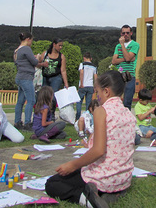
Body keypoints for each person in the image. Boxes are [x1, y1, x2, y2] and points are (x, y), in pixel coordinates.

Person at [45, 71, 136, 208]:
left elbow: (99, 151)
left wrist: (73, 165)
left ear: (106, 91)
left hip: (104, 177)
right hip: (123, 180)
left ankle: (88, 199)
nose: (96, 96)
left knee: (52, 184)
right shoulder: (128, 113)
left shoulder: (101, 111)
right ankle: (112, 194)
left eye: (97, 92)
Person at [13, 32, 43, 131]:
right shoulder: (26, 49)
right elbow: (35, 63)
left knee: (20, 101)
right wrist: (38, 58)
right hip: (26, 77)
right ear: (28, 39)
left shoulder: (17, 50)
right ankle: (27, 123)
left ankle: (17, 122)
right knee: (31, 100)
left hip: (20, 76)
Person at [111, 25, 140, 110]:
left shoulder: (135, 45)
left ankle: (126, 121)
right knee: (115, 101)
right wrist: (127, 59)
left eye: (127, 33)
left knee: (127, 102)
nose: (125, 34)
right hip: (119, 76)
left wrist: (122, 45)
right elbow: (114, 61)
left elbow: (128, 58)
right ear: (121, 34)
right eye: (123, 33)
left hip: (129, 76)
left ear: (131, 33)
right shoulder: (117, 46)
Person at [39, 38, 69, 118]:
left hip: (56, 77)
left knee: (53, 96)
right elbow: (39, 64)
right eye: (59, 45)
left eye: (61, 46)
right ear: (54, 45)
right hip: (45, 77)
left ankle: (51, 114)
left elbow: (63, 70)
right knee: (44, 96)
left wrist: (66, 83)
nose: (60, 47)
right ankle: (44, 114)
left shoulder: (61, 57)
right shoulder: (45, 54)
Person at [76, 52, 97, 120]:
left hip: (83, 85)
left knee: (79, 101)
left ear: (84, 58)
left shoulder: (82, 64)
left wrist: (81, 83)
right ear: (91, 58)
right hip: (90, 85)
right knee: (88, 103)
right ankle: (87, 117)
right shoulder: (94, 66)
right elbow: (96, 77)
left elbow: (81, 73)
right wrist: (95, 86)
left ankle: (78, 116)